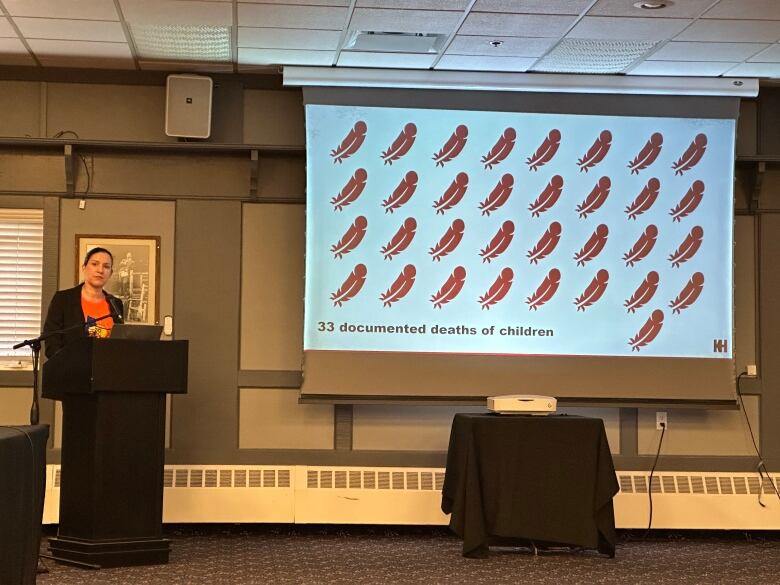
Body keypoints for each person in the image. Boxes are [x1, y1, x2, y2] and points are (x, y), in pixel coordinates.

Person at [43, 247, 125, 358]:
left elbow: (120, 343)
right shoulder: (63, 299)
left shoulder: (116, 303)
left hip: (106, 370)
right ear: (84, 268)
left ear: (110, 273)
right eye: (95, 264)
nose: (100, 270)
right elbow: (51, 342)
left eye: (106, 266)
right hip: (70, 370)